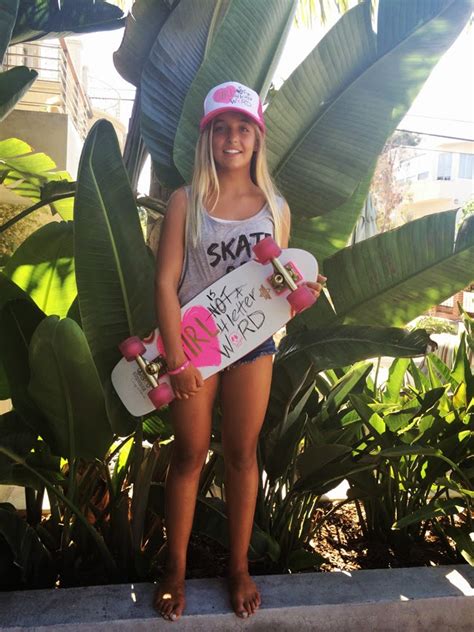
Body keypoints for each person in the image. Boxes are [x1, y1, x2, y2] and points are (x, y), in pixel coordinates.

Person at [153, 81, 325, 621]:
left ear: (257, 138)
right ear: (208, 137)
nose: (233, 137)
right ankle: (175, 570)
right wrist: (177, 360)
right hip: (195, 351)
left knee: (242, 454)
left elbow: (278, 289)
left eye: (243, 128)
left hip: (253, 348)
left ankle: (238, 567)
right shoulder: (185, 201)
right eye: (222, 128)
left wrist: (300, 298)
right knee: (187, 455)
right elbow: (165, 283)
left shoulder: (276, 207)